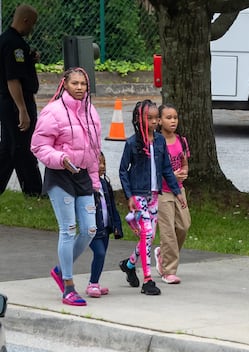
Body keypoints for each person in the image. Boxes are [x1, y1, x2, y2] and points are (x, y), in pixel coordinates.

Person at [30, 67, 101, 306]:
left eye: (83, 83)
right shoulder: (53, 111)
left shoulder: (91, 112)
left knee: (90, 229)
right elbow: (38, 146)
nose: (80, 87)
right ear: (65, 85)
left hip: (82, 177)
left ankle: (61, 269)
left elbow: (93, 153)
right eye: (75, 83)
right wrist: (60, 158)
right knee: (68, 229)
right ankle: (68, 286)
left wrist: (95, 183)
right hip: (60, 176)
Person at [118, 99, 187, 296]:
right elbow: (123, 170)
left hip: (155, 195)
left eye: (157, 118)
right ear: (140, 119)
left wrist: (176, 192)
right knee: (147, 234)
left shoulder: (159, 141)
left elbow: (166, 168)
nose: (155, 122)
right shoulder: (133, 143)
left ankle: (130, 264)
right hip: (139, 194)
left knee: (146, 236)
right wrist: (129, 195)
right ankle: (147, 280)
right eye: (150, 118)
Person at [0, 4, 42, 197]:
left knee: (9, 148)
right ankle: (33, 191)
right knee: (23, 148)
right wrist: (22, 110)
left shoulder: (7, 41)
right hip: (16, 103)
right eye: (31, 24)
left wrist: (29, 59)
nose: (32, 28)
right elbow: (12, 79)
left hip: (8, 103)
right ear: (25, 20)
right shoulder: (14, 44)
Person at [154, 103, 191, 284]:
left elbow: (184, 162)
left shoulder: (181, 140)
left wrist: (184, 171)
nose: (173, 121)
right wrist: (169, 175)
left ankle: (163, 253)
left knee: (184, 225)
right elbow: (152, 170)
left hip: (178, 190)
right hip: (162, 192)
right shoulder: (155, 142)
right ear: (159, 121)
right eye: (168, 118)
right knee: (168, 231)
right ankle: (168, 270)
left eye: (175, 117)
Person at [86, 151, 123, 298]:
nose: (102, 166)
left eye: (104, 163)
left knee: (101, 255)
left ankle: (94, 283)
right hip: (93, 227)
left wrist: (116, 225)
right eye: (98, 163)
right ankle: (93, 284)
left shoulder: (104, 183)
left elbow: (111, 206)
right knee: (99, 252)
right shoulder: (87, 184)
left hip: (106, 227)